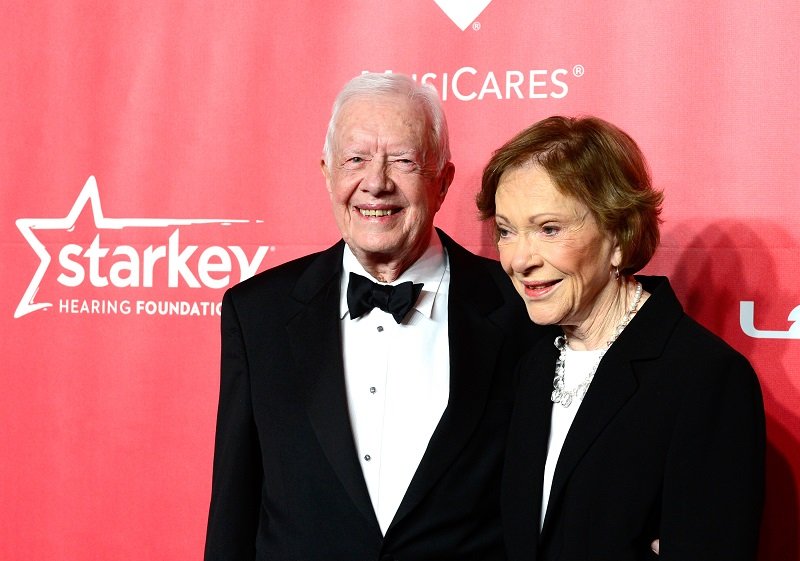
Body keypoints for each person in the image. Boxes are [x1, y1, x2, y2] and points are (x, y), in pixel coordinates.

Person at [204, 72, 543, 561]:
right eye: (355, 159)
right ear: (327, 172)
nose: (376, 183)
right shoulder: (257, 312)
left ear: (443, 182)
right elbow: (234, 508)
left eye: (403, 161)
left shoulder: (520, 309)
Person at [476, 116, 766, 561]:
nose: (518, 259)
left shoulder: (704, 377)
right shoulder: (532, 368)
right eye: (506, 231)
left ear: (619, 234)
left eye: (548, 229)